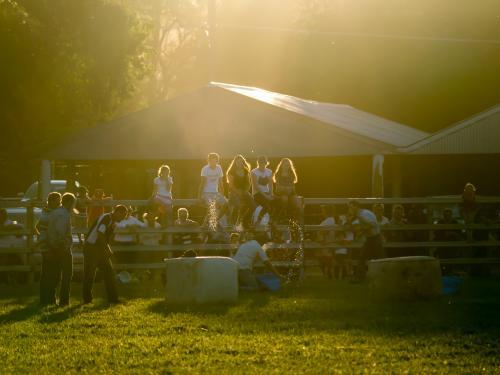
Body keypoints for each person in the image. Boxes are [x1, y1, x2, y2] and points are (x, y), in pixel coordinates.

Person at [82, 205, 128, 304]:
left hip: (97, 247)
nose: (123, 218)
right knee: (90, 274)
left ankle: (113, 298)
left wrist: (107, 248)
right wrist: (107, 249)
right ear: (117, 212)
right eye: (123, 216)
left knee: (108, 273)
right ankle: (88, 299)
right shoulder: (106, 218)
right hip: (92, 247)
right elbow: (100, 234)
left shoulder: (111, 220)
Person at [46, 193, 76, 306]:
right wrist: (63, 244)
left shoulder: (55, 212)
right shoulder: (64, 214)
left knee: (55, 274)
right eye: (73, 203)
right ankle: (64, 301)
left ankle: (50, 299)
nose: (73, 206)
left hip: (53, 246)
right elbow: (60, 230)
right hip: (61, 247)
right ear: (69, 202)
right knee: (67, 274)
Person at [347, 200, 385, 282]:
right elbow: (369, 225)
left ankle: (381, 278)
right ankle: (361, 278)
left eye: (350, 207)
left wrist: (361, 229)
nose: (349, 209)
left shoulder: (362, 214)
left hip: (374, 238)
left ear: (356, 206)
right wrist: (361, 232)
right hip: (372, 238)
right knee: (364, 257)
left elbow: (372, 224)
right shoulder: (362, 213)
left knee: (378, 259)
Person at [38, 192, 62, 305]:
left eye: (60, 201)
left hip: (50, 247)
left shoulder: (47, 213)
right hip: (49, 248)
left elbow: (37, 227)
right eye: (57, 201)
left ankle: (47, 299)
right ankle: (48, 299)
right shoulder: (49, 214)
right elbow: (44, 232)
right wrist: (45, 247)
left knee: (50, 274)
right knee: (51, 274)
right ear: (51, 201)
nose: (59, 203)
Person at [226, 154, 255, 226]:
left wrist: (245, 191)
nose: (239, 163)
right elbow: (231, 185)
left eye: (241, 162)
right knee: (238, 205)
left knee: (253, 206)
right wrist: (238, 193)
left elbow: (249, 183)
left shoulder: (246, 171)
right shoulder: (231, 172)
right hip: (233, 192)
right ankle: (231, 223)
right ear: (235, 163)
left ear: (243, 162)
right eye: (237, 162)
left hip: (244, 191)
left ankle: (245, 221)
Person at [251, 156, 275, 222]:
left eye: (263, 162)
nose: (261, 163)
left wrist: (271, 194)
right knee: (267, 206)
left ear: (266, 163)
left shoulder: (269, 171)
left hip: (267, 193)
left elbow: (270, 184)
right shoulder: (254, 172)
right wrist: (266, 196)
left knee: (277, 203)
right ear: (258, 163)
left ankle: (272, 222)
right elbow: (256, 187)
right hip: (257, 194)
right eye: (260, 162)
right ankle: (257, 220)